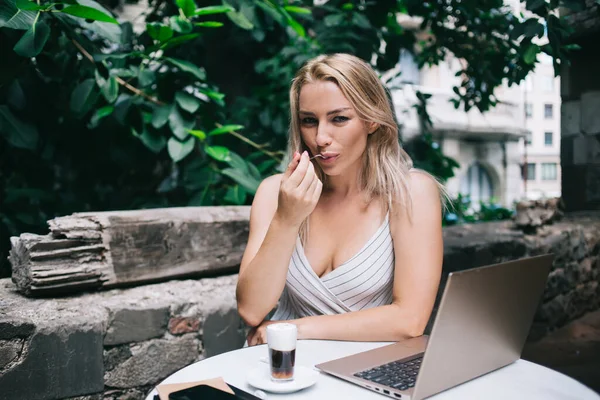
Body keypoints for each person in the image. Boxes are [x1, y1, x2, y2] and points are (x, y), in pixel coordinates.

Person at [236, 53, 444, 346]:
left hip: (364, 370)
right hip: (280, 364)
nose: (321, 137)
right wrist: (287, 218)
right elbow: (251, 309)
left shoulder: (410, 193)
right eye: (309, 121)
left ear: (371, 119)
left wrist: (293, 328)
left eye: (339, 119)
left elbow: (410, 321)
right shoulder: (275, 193)